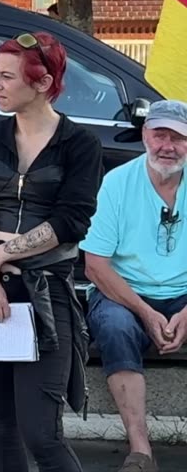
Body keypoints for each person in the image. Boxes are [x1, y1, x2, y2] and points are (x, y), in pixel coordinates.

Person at [0, 31, 103, 472]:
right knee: (0, 423)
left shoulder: (79, 144)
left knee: (41, 433)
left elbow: (72, 220)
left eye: (6, 77)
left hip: (46, 292)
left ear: (43, 82)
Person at [79, 99, 187, 472]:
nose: (167, 146)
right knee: (115, 326)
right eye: (159, 135)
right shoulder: (118, 182)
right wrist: (145, 311)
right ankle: (141, 452)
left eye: (178, 138)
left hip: (185, 295)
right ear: (144, 136)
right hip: (124, 292)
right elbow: (95, 265)